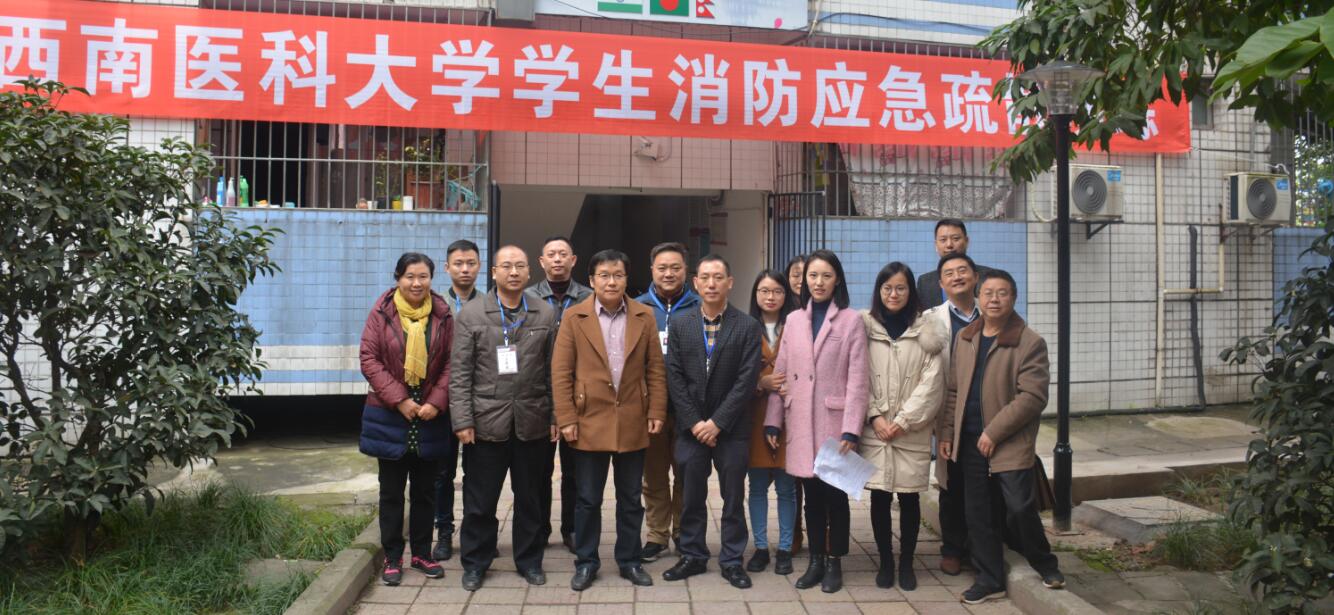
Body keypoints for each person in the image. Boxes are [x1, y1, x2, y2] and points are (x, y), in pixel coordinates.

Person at [940, 271, 1064, 605]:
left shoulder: (1029, 342)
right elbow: (953, 391)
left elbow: (1033, 397)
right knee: (978, 513)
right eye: (988, 293)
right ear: (978, 298)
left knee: (1019, 507)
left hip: (1008, 441)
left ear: (1014, 298)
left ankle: (1044, 562)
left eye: (1002, 293)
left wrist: (994, 431)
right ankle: (989, 579)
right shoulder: (966, 338)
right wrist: (947, 433)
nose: (994, 299)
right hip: (968, 440)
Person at [551, 249, 666, 592]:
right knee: (588, 498)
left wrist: (656, 411)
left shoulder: (644, 315)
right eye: (604, 275)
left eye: (618, 275)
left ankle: (629, 560)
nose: (611, 281)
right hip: (588, 419)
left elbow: (655, 369)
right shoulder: (574, 316)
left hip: (633, 417)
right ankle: (586, 561)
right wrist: (566, 417)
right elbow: (561, 372)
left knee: (631, 498)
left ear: (627, 279)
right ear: (591, 280)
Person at [449, 245, 559, 591]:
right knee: (480, 502)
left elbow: (553, 371)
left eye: (520, 266)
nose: (513, 272)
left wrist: (555, 415)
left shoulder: (545, 313)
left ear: (529, 272)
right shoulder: (472, 314)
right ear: (494, 272)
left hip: (532, 422)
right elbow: (460, 373)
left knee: (531, 499)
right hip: (485, 424)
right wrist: (462, 420)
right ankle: (475, 563)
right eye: (506, 266)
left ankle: (529, 561)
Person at [764, 250, 869, 594]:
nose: (818, 282)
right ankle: (815, 561)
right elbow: (780, 372)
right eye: (812, 276)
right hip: (799, 420)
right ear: (804, 280)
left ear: (837, 280)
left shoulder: (851, 320)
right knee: (810, 496)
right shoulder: (794, 320)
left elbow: (858, 379)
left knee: (835, 496)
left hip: (834, 423)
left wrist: (852, 427)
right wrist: (773, 421)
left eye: (826, 275)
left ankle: (835, 561)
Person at [661, 255, 764, 589]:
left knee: (733, 497)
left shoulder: (747, 326)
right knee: (691, 495)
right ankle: (692, 554)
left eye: (718, 277)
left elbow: (746, 381)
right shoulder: (680, 324)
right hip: (691, 429)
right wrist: (695, 423)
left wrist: (717, 422)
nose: (711, 283)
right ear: (695, 283)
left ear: (729, 283)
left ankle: (732, 560)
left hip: (731, 429)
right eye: (704, 277)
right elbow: (674, 376)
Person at [359, 252, 452, 586]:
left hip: (429, 415)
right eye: (410, 276)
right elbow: (369, 358)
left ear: (431, 279)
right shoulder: (381, 313)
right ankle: (393, 557)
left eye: (423, 276)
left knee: (426, 491)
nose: (416, 283)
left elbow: (452, 363)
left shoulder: (442, 314)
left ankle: (422, 553)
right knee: (392, 493)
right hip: (391, 413)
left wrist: (436, 402)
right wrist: (400, 400)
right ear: (398, 278)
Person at [858, 262, 945, 591]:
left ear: (911, 292)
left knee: (909, 499)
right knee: (879, 497)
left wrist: (903, 421)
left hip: (911, 431)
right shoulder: (865, 328)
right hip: (876, 430)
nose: (893, 294)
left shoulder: (927, 331)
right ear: (879, 291)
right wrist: (875, 416)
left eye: (900, 288)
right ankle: (885, 561)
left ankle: (907, 562)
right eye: (887, 288)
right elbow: (856, 376)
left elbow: (932, 384)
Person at [526, 235, 593, 553]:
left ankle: (572, 528)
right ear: (541, 262)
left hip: (577, 393)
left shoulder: (589, 298)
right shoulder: (527, 297)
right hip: (537, 393)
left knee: (575, 470)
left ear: (573, 260)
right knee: (539, 469)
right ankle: (539, 528)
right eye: (551, 254)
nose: (557, 259)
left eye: (562, 254)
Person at [635, 242, 698, 562]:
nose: (669, 273)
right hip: (651, 410)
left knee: (686, 473)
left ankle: (683, 533)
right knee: (654, 475)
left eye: (675, 267)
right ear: (652, 271)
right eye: (662, 268)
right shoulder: (637, 308)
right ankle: (657, 535)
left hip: (690, 409)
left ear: (686, 270)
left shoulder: (700, 306)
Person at [926, 252, 984, 576]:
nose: (957, 277)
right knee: (951, 484)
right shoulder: (931, 319)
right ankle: (952, 548)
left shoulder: (991, 312)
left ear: (975, 277)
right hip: (948, 413)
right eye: (949, 273)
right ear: (941, 283)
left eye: (963, 271)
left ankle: (979, 547)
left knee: (982, 485)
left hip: (984, 411)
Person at [744, 270, 798, 575]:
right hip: (754, 416)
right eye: (764, 291)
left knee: (787, 487)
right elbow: (735, 372)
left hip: (790, 416)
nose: (770, 297)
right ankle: (761, 547)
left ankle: (786, 548)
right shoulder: (744, 326)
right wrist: (759, 383)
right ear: (755, 295)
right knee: (757, 486)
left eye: (777, 291)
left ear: (785, 295)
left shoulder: (796, 326)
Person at [433, 238, 482, 561]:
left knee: (478, 474)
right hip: (441, 402)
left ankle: (475, 533)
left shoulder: (491, 304)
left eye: (471, 263)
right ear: (447, 267)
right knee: (442, 474)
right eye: (459, 264)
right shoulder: (435, 305)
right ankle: (444, 532)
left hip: (480, 402)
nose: (465, 269)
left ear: (479, 266)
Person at [916, 219, 996, 311]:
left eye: (955, 239)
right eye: (943, 240)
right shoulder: (925, 282)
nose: (949, 245)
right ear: (936, 245)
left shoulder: (989, 276)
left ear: (966, 241)